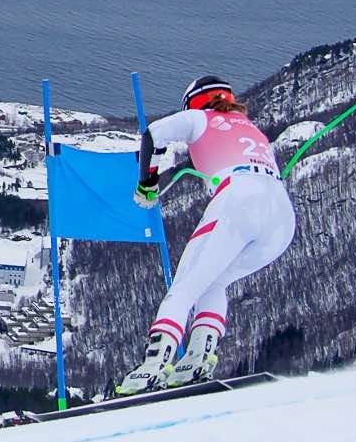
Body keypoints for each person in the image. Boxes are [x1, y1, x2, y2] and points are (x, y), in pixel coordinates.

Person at [117, 76, 297, 396]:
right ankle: (198, 359)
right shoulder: (251, 128)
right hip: (281, 215)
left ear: (193, 101)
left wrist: (147, 184)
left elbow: (153, 135)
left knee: (186, 284)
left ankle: (154, 365)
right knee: (213, 282)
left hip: (239, 198)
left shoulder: (200, 117)